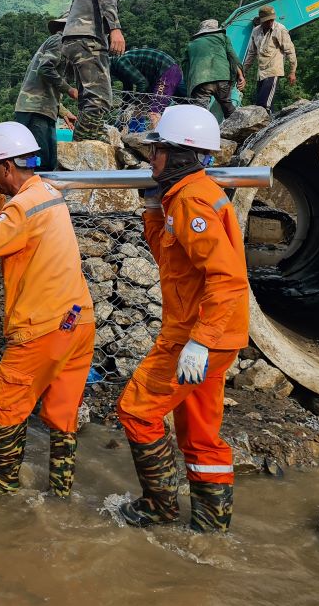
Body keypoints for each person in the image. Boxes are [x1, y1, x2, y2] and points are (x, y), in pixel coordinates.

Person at [115, 104, 249, 532]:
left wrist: (200, 340)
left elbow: (226, 279)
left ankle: (159, 508)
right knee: (199, 434)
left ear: (179, 155)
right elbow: (171, 259)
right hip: (215, 336)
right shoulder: (184, 197)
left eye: (157, 150)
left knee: (137, 411)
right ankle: (212, 527)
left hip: (197, 335)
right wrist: (154, 209)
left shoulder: (192, 200)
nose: (149, 158)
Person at [0, 122, 95, 498]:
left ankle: (5, 499)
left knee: (2, 402)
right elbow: (12, 220)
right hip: (78, 320)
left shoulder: (25, 205)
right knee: (61, 411)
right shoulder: (44, 192)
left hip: (45, 326)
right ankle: (61, 494)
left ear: (5, 167)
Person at [62, 0, 152, 140]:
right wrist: (115, 29)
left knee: (88, 100)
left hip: (75, 36)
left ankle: (84, 144)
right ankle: (83, 147)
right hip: (88, 36)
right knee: (100, 98)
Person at [13, 14, 79, 170]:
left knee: (49, 162)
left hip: (45, 110)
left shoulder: (64, 46)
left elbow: (48, 88)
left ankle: (24, 172)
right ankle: (18, 169)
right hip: (34, 109)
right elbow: (45, 68)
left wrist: (63, 112)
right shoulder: (59, 40)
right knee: (38, 160)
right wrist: (69, 89)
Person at [108, 47, 185, 128]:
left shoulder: (121, 63)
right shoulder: (119, 67)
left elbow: (142, 83)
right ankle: (135, 132)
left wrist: (136, 102)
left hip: (167, 72)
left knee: (154, 111)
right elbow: (128, 89)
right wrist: (123, 110)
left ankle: (158, 138)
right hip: (155, 78)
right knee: (138, 109)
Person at [182, 20, 245, 118]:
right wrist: (240, 76)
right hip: (222, 78)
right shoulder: (222, 38)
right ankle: (237, 129)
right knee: (228, 107)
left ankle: (201, 132)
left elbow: (185, 67)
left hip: (200, 81)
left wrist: (189, 86)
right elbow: (233, 57)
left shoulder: (191, 44)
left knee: (200, 112)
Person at [242, 5, 297, 111]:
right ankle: (269, 125)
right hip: (261, 74)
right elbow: (251, 53)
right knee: (261, 104)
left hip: (273, 71)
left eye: (272, 20)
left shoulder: (280, 29)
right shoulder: (255, 31)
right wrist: (243, 73)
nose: (270, 22)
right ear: (261, 21)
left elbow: (290, 50)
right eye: (267, 20)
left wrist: (292, 71)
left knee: (263, 105)